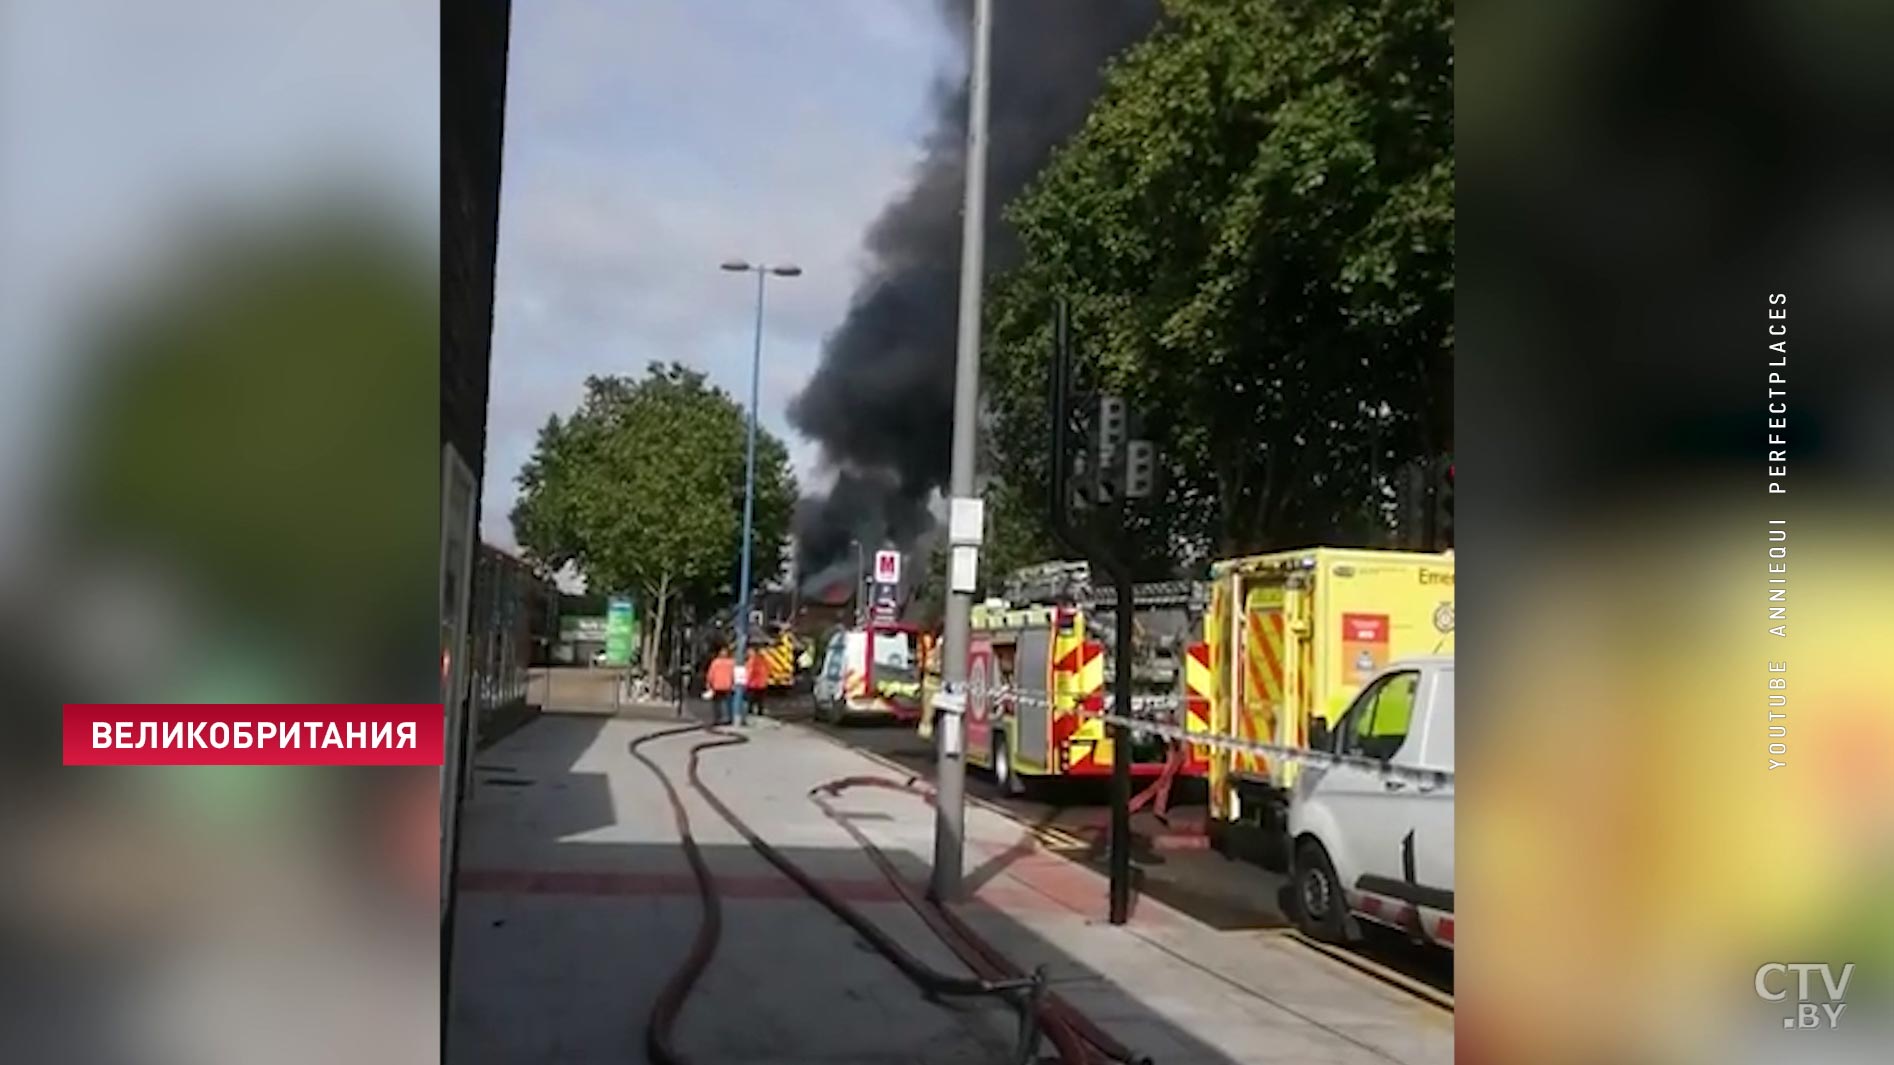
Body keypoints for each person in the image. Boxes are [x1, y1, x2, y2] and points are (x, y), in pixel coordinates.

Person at [706, 643, 735, 725]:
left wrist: (709, 683)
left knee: (717, 704)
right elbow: (734, 674)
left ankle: (717, 719)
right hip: (727, 685)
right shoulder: (732, 662)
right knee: (728, 703)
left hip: (717, 685)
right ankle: (729, 718)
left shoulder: (715, 662)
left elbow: (710, 674)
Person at [743, 640, 770, 719]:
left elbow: (750, 671)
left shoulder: (752, 660)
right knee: (760, 699)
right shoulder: (763, 659)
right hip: (762, 682)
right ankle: (760, 711)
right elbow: (768, 668)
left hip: (753, 682)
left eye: (749, 651)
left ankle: (750, 710)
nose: (748, 652)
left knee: (751, 698)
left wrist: (746, 681)